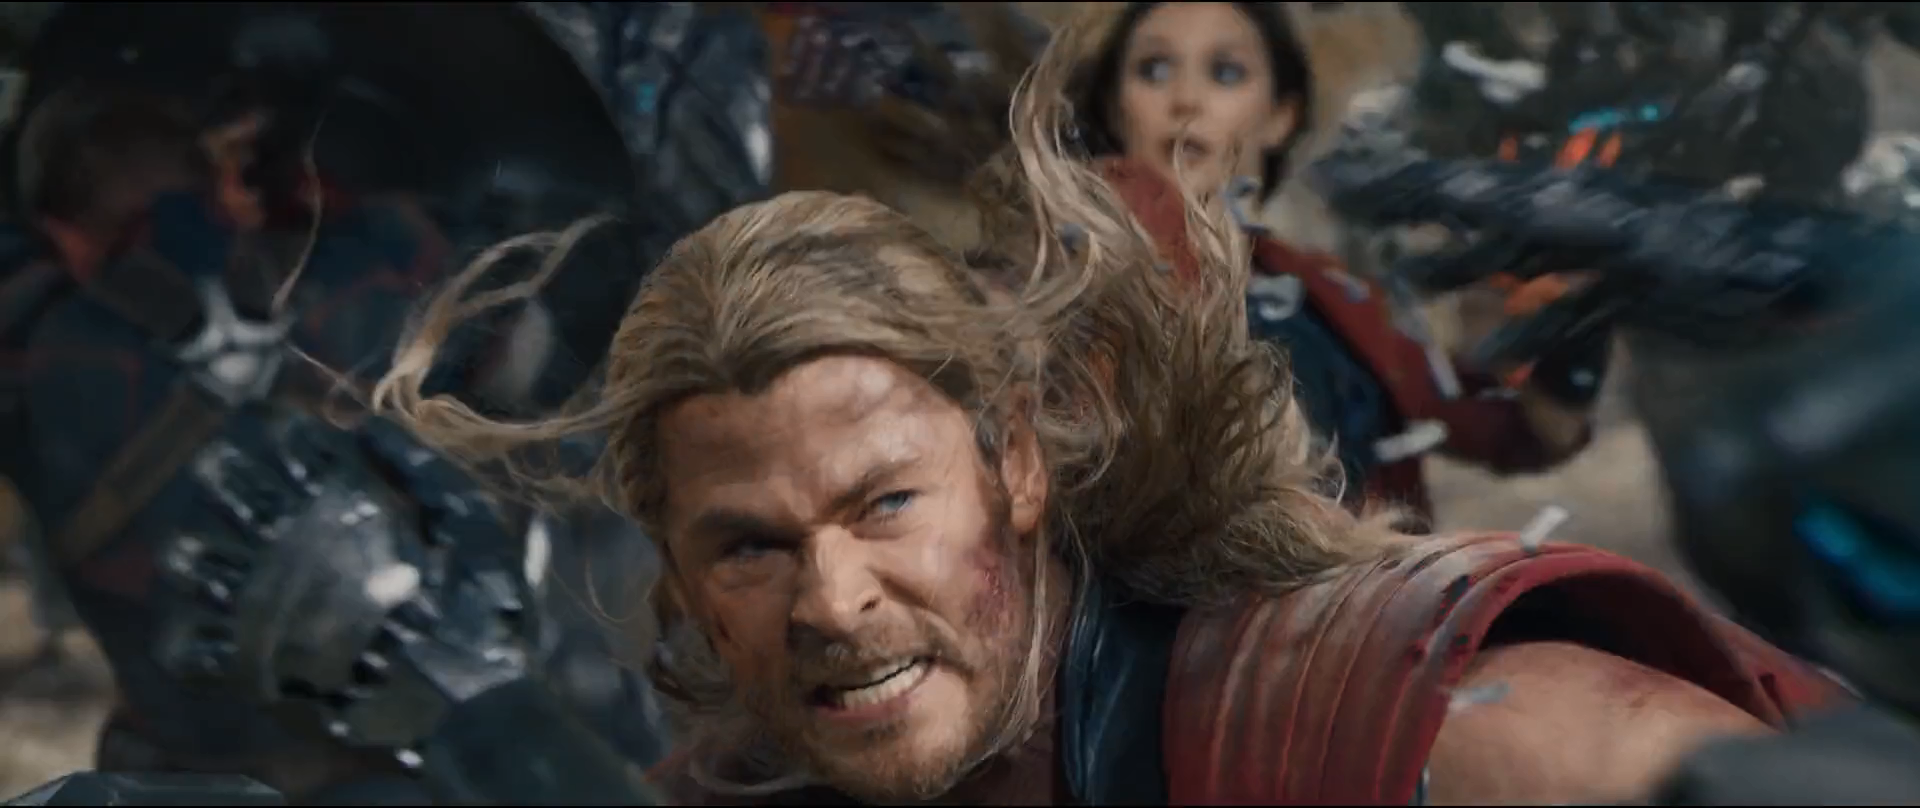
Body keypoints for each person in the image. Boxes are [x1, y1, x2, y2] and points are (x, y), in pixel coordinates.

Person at [362, 9, 1853, 803]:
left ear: (1015, 461)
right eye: (750, 545)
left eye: (887, 501)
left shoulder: (1382, 721)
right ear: (681, 581)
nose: (832, 597)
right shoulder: (738, 784)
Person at [1038, 2, 1609, 525]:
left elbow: (1521, 433)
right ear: (1115, 108)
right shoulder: (1078, 273)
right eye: (1155, 70)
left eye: (1226, 72)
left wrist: (1580, 322)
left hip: (1383, 593)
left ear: (1280, 115)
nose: (1186, 99)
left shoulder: (1330, 296)